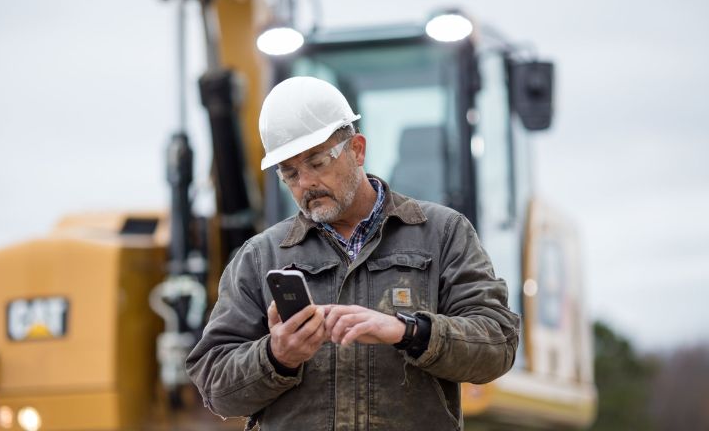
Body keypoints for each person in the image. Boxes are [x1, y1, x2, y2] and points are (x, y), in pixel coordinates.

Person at [186, 76, 520, 431]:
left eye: (317, 162)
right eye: (290, 173)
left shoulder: (442, 233)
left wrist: (406, 331)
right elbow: (214, 385)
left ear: (357, 149)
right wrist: (276, 356)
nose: (306, 184)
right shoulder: (259, 256)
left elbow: (497, 343)